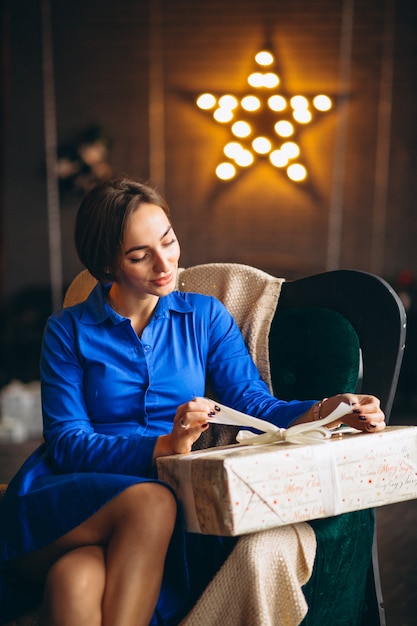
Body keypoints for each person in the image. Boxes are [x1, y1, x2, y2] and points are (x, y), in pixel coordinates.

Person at [0, 178, 385, 626]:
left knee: (75, 579)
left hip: (155, 511)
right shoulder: (66, 330)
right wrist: (162, 446)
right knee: (153, 502)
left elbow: (250, 401)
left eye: (168, 241)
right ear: (106, 265)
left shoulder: (204, 316)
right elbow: (67, 442)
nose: (164, 264)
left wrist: (328, 410)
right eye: (139, 255)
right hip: (71, 495)